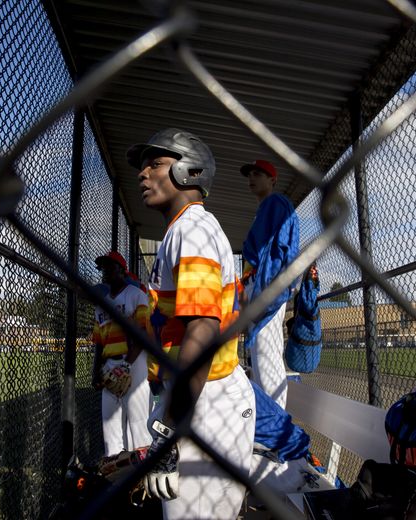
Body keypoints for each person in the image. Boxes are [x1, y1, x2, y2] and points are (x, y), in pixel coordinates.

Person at [128, 128, 255, 519]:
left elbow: (203, 328)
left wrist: (168, 430)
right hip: (199, 397)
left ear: (189, 171)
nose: (142, 174)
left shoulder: (192, 229)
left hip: (207, 401)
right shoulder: (181, 230)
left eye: (156, 163)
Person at [240, 159, 299, 409]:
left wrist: (269, 291)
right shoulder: (263, 209)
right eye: (250, 173)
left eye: (259, 173)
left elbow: (281, 253)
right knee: (260, 359)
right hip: (259, 288)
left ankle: (276, 431)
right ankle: (270, 425)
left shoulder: (276, 203)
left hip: (266, 288)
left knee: (267, 360)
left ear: (272, 180)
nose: (252, 177)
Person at [92, 251, 153, 456]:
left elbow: (142, 334)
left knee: (137, 423)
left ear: (121, 270)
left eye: (109, 266)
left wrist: (127, 365)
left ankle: (142, 478)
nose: (104, 271)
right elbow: (99, 342)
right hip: (110, 365)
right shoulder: (101, 305)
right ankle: (116, 476)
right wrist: (96, 371)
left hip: (134, 363)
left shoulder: (136, 295)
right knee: (110, 427)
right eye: (102, 267)